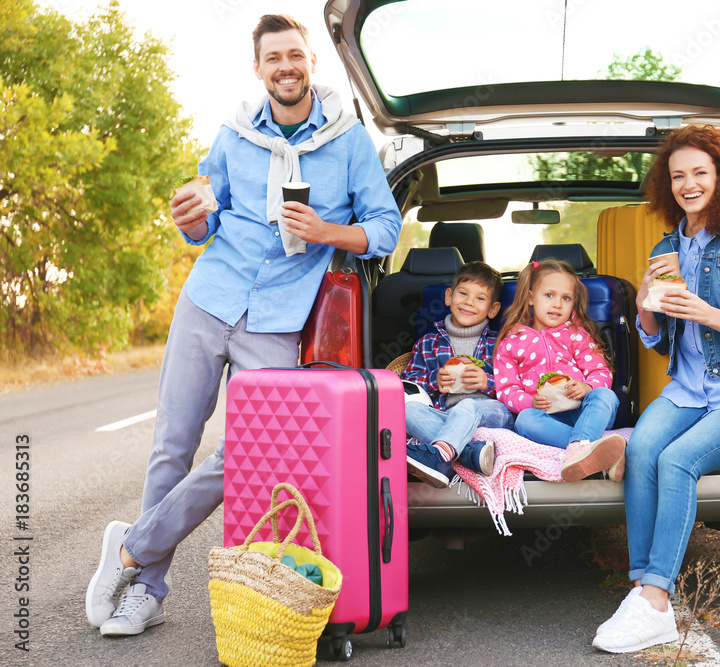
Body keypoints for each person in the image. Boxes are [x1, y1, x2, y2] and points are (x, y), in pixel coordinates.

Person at [85, 14, 402, 637]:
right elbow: (208, 217)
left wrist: (326, 233)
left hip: (279, 318)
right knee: (172, 446)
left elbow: (386, 228)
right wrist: (190, 217)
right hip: (211, 298)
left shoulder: (348, 141)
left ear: (312, 62)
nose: (285, 67)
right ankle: (146, 590)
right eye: (273, 58)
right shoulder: (234, 134)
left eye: (295, 55)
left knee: (251, 453)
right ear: (258, 69)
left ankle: (133, 546)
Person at [591, 125, 720, 653]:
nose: (688, 184)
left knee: (677, 461)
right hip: (688, 389)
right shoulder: (666, 246)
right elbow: (660, 345)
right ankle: (643, 589)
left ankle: (657, 598)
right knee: (641, 451)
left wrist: (709, 313)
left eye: (700, 173)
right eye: (678, 175)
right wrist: (644, 311)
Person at [493, 260, 625, 482]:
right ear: (531, 298)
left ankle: (579, 448)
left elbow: (600, 370)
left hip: (585, 413)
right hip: (547, 419)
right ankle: (591, 450)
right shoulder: (512, 341)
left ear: (573, 304)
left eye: (566, 298)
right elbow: (506, 389)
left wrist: (587, 387)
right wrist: (529, 402)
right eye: (549, 295)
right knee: (524, 420)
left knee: (605, 395)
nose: (557, 304)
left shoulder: (576, 334)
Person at [403, 261, 513, 487]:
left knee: (467, 406)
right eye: (463, 293)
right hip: (447, 415)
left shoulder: (501, 344)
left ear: (493, 309)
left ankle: (440, 457)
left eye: (480, 298)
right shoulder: (428, 343)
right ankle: (469, 453)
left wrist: (487, 381)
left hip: (493, 412)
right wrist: (435, 379)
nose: (469, 302)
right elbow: (407, 384)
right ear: (448, 297)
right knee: (405, 409)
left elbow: (517, 385)